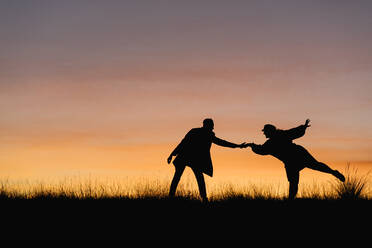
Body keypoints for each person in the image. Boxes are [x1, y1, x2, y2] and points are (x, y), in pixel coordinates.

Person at [246, 119, 345, 199]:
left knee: (297, 179)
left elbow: (261, 150)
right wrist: (303, 127)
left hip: (297, 156)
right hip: (293, 158)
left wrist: (252, 146)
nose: (264, 134)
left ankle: (291, 200)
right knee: (313, 167)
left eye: (265, 132)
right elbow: (293, 132)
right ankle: (333, 172)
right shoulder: (277, 137)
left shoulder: (272, 142)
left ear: (269, 131)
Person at [167, 118, 247, 202]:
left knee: (183, 177)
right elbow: (183, 143)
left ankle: (174, 196)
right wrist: (172, 154)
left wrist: (172, 154)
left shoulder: (198, 132)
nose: (213, 127)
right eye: (212, 125)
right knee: (195, 178)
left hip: (189, 158)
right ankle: (203, 198)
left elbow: (222, 142)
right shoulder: (204, 133)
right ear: (207, 125)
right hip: (189, 158)